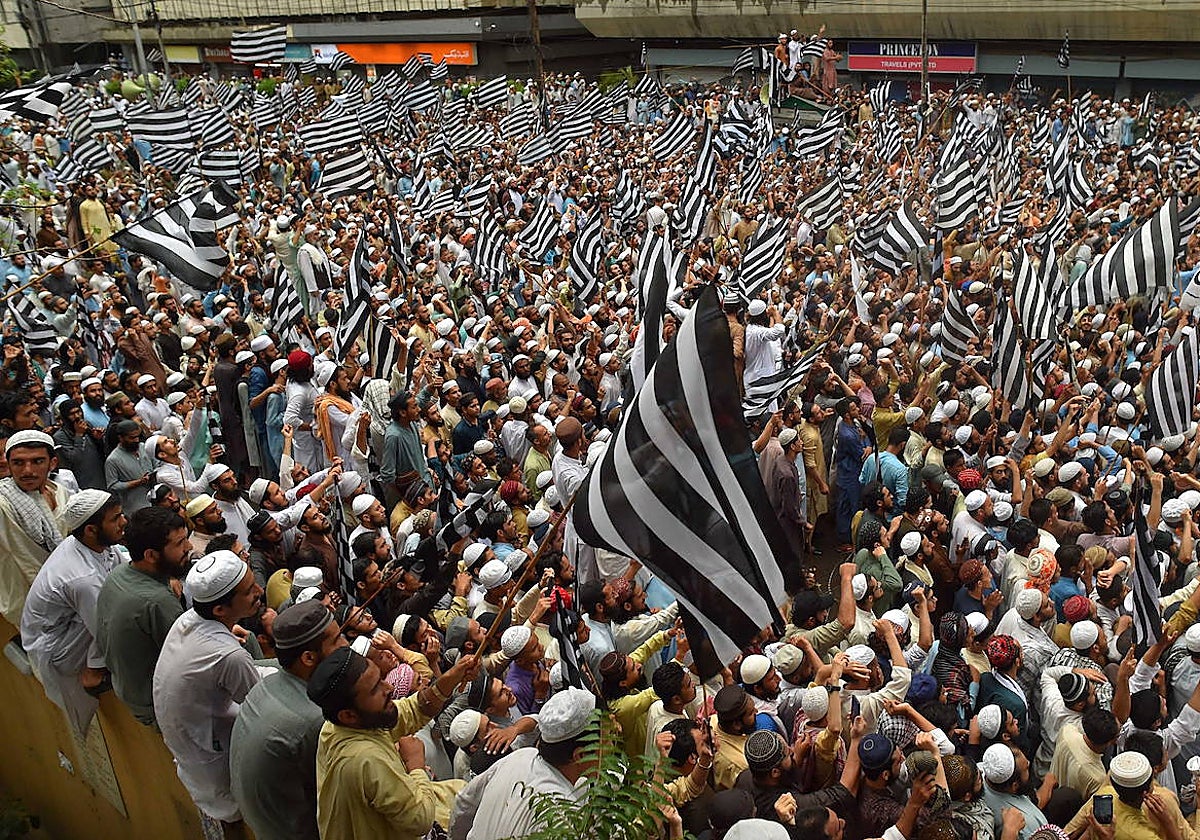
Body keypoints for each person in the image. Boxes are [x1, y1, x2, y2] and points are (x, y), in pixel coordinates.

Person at [306, 646, 481, 839]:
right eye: (375, 689)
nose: (388, 688)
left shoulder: (337, 726)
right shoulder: (365, 758)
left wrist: (453, 676)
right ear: (348, 715)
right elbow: (420, 820)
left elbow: (411, 711)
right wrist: (416, 766)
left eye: (381, 678)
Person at [153, 550, 270, 826]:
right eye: (248, 591)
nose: (259, 591)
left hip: (194, 752)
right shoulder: (230, 656)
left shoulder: (187, 620)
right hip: (217, 763)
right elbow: (263, 713)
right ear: (219, 610)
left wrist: (227, 631)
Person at [229, 600, 348, 840]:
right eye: (337, 640)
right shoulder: (314, 721)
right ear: (308, 658)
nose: (346, 645)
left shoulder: (268, 682)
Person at [20, 490, 126, 734]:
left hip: (72, 624)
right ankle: (94, 672)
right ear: (91, 529)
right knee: (117, 617)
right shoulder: (82, 578)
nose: (124, 522)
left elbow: (123, 570)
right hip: (56, 646)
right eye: (115, 518)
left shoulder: (89, 543)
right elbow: (105, 629)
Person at [449, 686, 596, 839]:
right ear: (580, 755)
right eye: (606, 738)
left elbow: (463, 803)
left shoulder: (519, 757)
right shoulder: (567, 821)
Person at [95, 505, 190, 727]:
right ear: (150, 555)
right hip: (160, 708)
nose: (189, 547)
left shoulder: (120, 573)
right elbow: (192, 661)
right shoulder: (157, 602)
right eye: (180, 543)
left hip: (129, 690)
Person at [0, 430, 70, 629]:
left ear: (52, 463)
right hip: (23, 602)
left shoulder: (60, 492)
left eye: (37, 461)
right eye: (18, 463)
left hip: (65, 594)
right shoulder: (4, 503)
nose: (27, 471)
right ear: (9, 464)